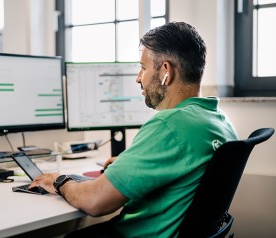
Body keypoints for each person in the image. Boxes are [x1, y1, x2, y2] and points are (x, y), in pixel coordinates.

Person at [29, 22, 238, 237]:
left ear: (166, 71)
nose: (138, 77)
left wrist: (60, 180)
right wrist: (127, 165)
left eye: (144, 68)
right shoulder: (220, 122)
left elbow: (95, 202)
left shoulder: (169, 125)